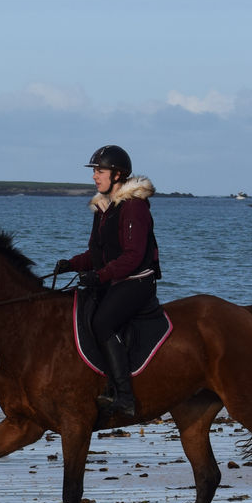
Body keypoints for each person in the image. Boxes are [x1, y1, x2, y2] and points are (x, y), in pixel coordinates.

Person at [54, 145, 162, 418]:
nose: (94, 177)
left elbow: (133, 257)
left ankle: (124, 397)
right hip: (115, 280)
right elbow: (97, 253)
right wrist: (72, 264)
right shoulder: (104, 208)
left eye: (99, 171)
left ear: (117, 175)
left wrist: (100, 275)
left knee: (102, 322)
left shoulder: (134, 207)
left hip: (137, 281)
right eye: (95, 172)